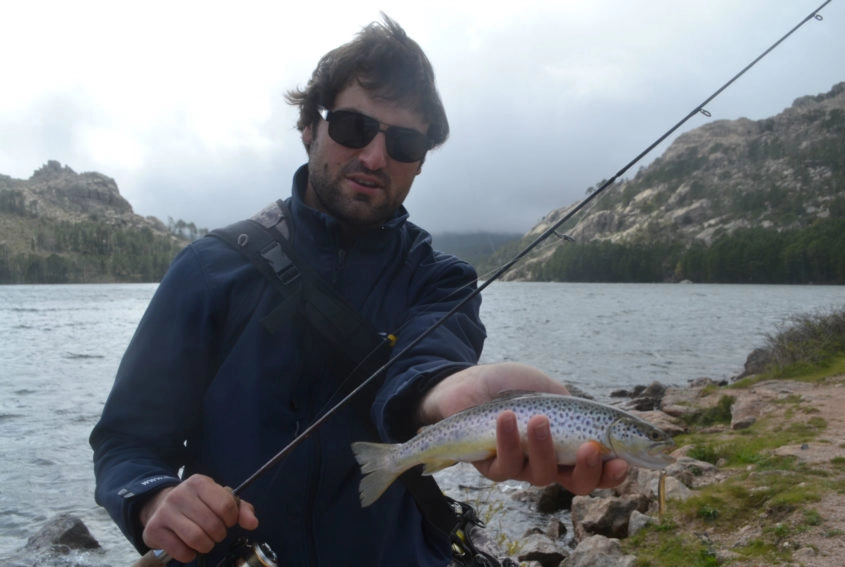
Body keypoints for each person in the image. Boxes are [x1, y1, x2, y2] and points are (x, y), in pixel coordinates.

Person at [90, 15, 629, 566]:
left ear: (420, 162)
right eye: (352, 127)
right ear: (309, 126)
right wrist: (154, 497)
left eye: (404, 142)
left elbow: (429, 374)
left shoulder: (442, 280)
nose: (375, 157)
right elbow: (126, 442)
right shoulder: (210, 269)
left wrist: (448, 402)